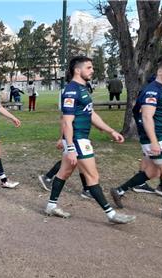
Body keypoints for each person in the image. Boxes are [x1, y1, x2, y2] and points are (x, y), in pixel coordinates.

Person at [44, 56, 136, 224]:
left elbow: (91, 114)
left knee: (63, 173)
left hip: (79, 139)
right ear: (77, 70)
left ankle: (51, 205)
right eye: (89, 67)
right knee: (92, 176)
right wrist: (70, 147)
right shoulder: (71, 90)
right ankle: (111, 214)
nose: (92, 70)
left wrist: (110, 131)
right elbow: (66, 121)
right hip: (78, 140)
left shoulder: (82, 88)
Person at [109, 56, 162, 223]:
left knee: (152, 172)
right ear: (160, 71)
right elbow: (146, 117)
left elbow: (160, 114)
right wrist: (154, 141)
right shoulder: (152, 90)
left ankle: (119, 191)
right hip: (155, 138)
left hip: (160, 134)